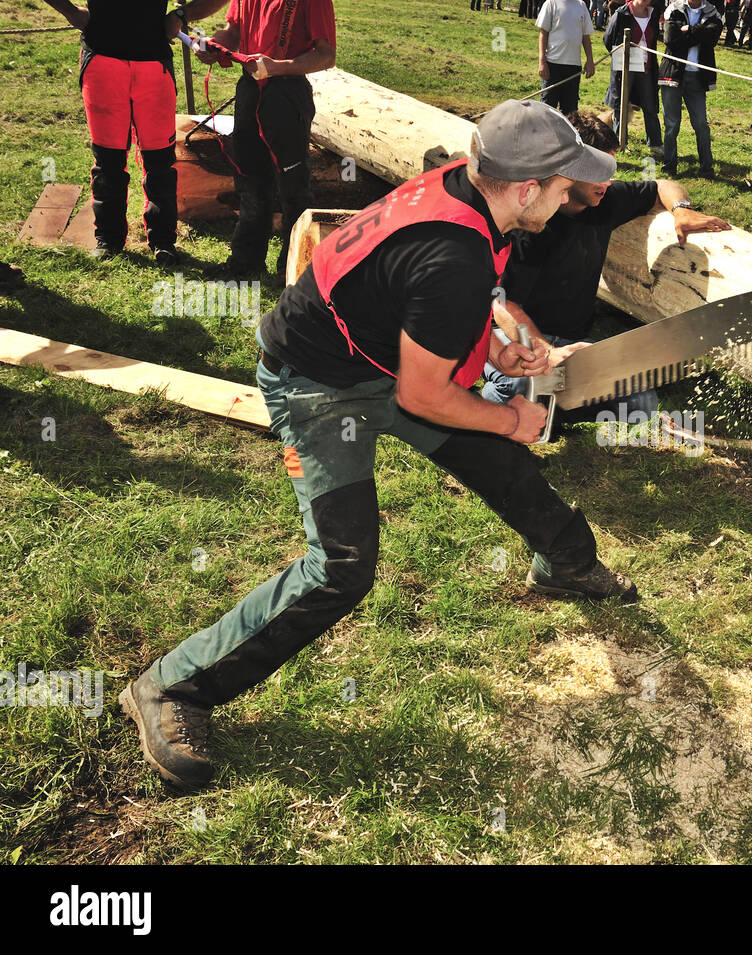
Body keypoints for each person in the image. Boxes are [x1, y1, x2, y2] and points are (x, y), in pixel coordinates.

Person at [118, 101, 637, 789]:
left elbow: (462, 292)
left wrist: (504, 333)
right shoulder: (451, 254)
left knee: (494, 461)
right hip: (319, 383)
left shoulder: (472, 188)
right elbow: (428, 391)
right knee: (343, 563)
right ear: (525, 187)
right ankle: (173, 685)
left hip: (382, 361)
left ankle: (567, 562)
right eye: (566, 182)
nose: (574, 193)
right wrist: (513, 418)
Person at [481, 110, 731, 416]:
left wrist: (682, 210)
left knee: (641, 401)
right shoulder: (531, 220)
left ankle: (550, 407)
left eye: (610, 168)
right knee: (523, 385)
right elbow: (504, 305)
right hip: (520, 337)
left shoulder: (604, 198)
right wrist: (546, 351)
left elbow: (661, 186)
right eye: (599, 169)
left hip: (576, 343)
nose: (608, 181)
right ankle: (516, 400)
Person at [182, 0, 336, 281]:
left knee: (293, 187)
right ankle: (245, 262)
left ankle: (292, 271)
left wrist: (278, 67)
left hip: (287, 94)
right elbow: (233, 31)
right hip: (250, 90)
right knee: (249, 179)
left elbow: (326, 56)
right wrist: (213, 46)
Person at [43, 1, 183, 264]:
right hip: (102, 61)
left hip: (153, 63)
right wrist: (71, 12)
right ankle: (108, 239)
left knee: (160, 161)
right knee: (108, 159)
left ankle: (163, 241)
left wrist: (183, 14)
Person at [658, 0, 724, 178]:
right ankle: (669, 166)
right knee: (671, 125)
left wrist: (689, 30)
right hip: (673, 73)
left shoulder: (712, 12)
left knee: (701, 124)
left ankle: (706, 168)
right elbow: (671, 40)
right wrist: (700, 33)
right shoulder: (673, 9)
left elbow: (712, 40)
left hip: (698, 77)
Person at [604, 0, 663, 153]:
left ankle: (655, 144)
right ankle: (620, 144)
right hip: (625, 67)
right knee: (621, 106)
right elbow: (608, 39)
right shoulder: (621, 14)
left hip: (646, 67)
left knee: (650, 106)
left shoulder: (653, 14)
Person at [537, 0, 597, 116]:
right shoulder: (551, 4)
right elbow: (543, 34)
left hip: (573, 68)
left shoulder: (581, 5)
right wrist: (542, 62)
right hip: (552, 65)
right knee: (547, 110)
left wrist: (590, 60)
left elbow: (586, 37)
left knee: (570, 112)